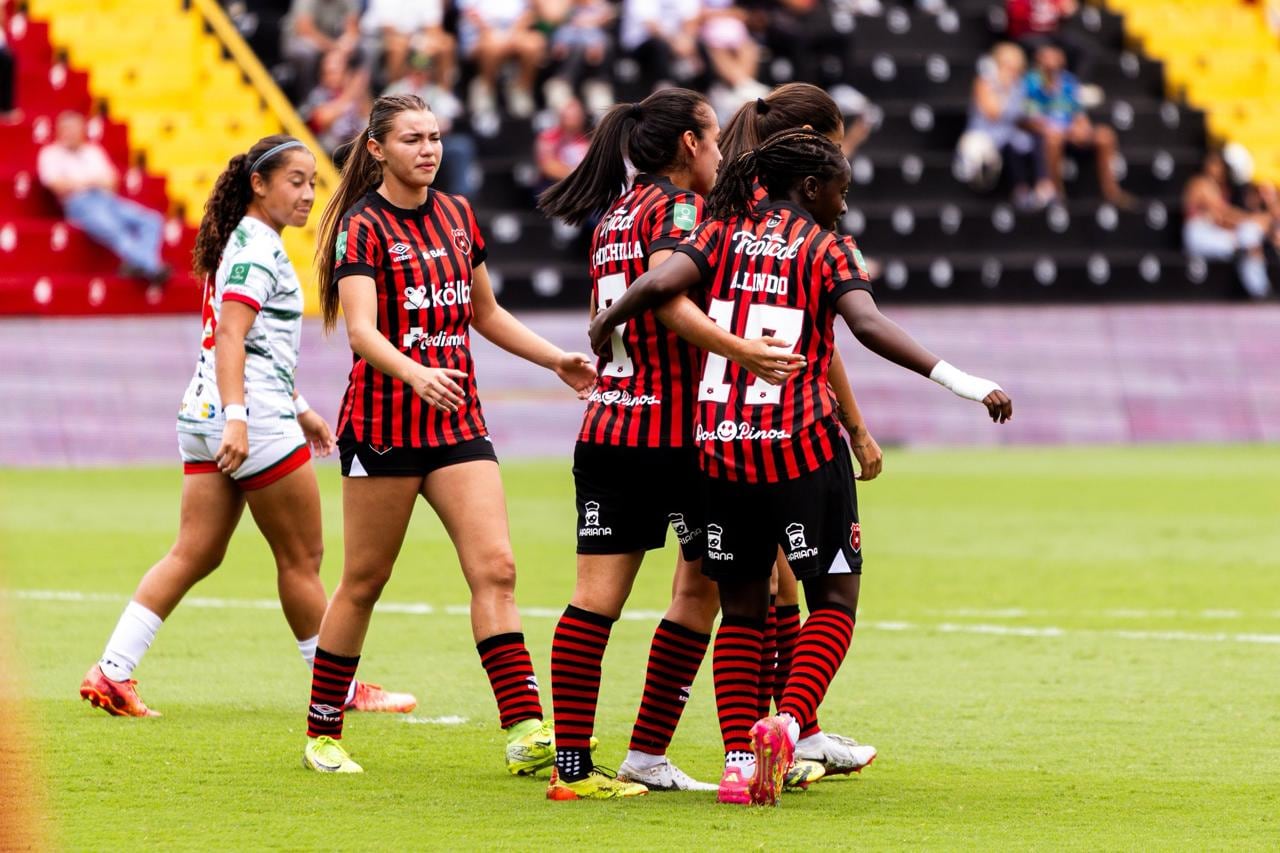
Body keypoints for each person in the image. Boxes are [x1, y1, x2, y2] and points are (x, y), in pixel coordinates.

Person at [590, 129, 1012, 805]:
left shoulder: (722, 230)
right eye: (841, 189)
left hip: (721, 447)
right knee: (836, 598)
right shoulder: (825, 245)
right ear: (812, 187)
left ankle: (737, 763)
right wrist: (962, 381)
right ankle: (787, 723)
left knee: (742, 609)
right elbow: (868, 326)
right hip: (799, 444)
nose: (844, 203)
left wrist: (611, 315)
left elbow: (663, 280)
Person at [300, 94, 598, 775]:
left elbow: (485, 312)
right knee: (363, 581)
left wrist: (554, 356)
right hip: (384, 427)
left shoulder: (459, 215)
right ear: (377, 149)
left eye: (434, 137)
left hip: (457, 423)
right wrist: (415, 374)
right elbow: (362, 332)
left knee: (497, 567)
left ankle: (525, 727)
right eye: (412, 138)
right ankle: (322, 730)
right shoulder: (360, 228)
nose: (428, 149)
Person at [78, 135, 415, 719]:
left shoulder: (242, 242)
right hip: (248, 419)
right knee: (302, 557)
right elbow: (233, 335)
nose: (309, 194)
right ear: (259, 184)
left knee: (194, 553)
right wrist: (242, 418)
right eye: (295, 181)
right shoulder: (260, 249)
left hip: (206, 413)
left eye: (313, 182)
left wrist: (299, 405)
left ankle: (112, 671)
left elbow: (250, 343)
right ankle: (338, 688)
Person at [616, 84, 883, 793]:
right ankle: (756, 734)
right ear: (805, 151)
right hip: (730, 426)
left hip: (712, 425)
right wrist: (743, 355)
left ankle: (776, 737)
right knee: (731, 590)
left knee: (760, 587)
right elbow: (811, 338)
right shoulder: (739, 217)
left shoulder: (730, 207)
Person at [538, 87, 801, 799]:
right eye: (714, 140)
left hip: (608, 429)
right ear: (690, 144)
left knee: (594, 601)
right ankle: (675, 747)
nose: (720, 154)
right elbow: (669, 297)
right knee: (726, 587)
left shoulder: (613, 214)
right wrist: (742, 349)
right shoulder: (680, 208)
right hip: (681, 437)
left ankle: (574, 768)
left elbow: (613, 307)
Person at [37, 112, 171, 284]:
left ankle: (139, 265)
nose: (71, 133)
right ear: (59, 131)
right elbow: (57, 185)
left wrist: (81, 183)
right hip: (79, 205)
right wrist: (92, 182)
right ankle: (153, 267)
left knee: (152, 220)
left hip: (107, 200)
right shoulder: (50, 154)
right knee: (114, 229)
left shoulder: (93, 151)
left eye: (75, 129)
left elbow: (112, 182)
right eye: (67, 129)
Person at [1023, 44, 1134, 209]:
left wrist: (1082, 128)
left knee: (1105, 135)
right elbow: (1029, 120)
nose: (1053, 60)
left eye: (1056, 55)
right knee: (1054, 138)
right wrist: (1058, 130)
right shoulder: (1031, 83)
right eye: (1048, 56)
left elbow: (1079, 113)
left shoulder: (1069, 81)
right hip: (1047, 134)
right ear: (1039, 60)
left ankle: (1111, 192)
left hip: (1070, 131)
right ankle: (1057, 194)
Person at [965, 43, 1053, 210]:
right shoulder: (985, 82)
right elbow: (993, 112)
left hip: (1011, 134)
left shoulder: (1020, 85)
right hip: (986, 136)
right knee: (1011, 144)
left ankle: (1043, 186)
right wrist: (1004, 89)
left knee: (1034, 137)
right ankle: (1020, 190)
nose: (1011, 71)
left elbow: (1027, 111)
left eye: (1015, 67)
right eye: (1007, 66)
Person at [383, 51, 476, 197]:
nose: (420, 75)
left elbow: (453, 116)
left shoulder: (436, 91)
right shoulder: (396, 90)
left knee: (461, 146)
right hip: (406, 142)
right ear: (409, 70)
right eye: (416, 71)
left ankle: (459, 199)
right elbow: (384, 120)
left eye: (424, 71)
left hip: (434, 141)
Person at [1183, 150, 1272, 299]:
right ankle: (1260, 290)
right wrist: (1254, 218)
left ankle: (1260, 288)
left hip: (1214, 232)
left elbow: (1222, 219)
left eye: (1220, 165)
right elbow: (1223, 213)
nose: (1217, 168)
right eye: (1213, 164)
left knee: (1251, 235)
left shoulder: (1223, 187)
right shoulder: (1201, 183)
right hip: (1198, 234)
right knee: (1250, 239)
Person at [456, 0, 547, 118]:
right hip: (480, 35)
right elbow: (470, 13)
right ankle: (486, 90)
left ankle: (520, 90)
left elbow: (530, 11)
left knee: (535, 43)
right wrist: (494, 34)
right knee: (492, 46)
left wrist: (512, 33)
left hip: (515, 33)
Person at [280, 0, 360, 96]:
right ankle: (307, 96)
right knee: (306, 51)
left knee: (361, 49)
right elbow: (304, 30)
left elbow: (352, 28)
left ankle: (351, 99)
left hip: (332, 42)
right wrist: (334, 48)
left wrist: (345, 45)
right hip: (300, 40)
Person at [300, 49, 371, 156]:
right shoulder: (319, 93)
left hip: (356, 148)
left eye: (333, 72)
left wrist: (360, 92)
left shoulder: (354, 93)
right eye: (325, 72)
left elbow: (368, 118)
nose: (328, 77)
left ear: (346, 72)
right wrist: (352, 92)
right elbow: (322, 119)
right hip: (330, 152)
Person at [533, 95, 590, 189]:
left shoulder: (585, 138)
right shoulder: (549, 137)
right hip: (554, 186)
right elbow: (547, 165)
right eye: (570, 116)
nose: (574, 119)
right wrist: (576, 174)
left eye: (577, 115)